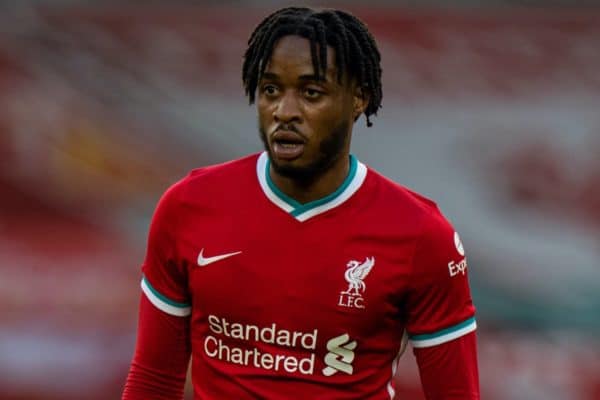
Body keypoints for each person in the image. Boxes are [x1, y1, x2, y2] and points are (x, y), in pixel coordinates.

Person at [122, 6, 479, 400]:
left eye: (311, 93)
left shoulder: (421, 235)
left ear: (358, 97)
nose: (284, 112)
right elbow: (153, 380)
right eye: (271, 90)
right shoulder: (188, 207)